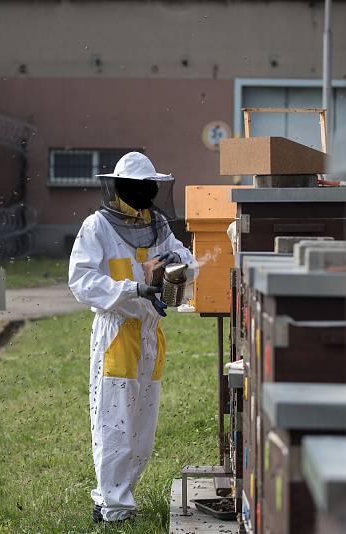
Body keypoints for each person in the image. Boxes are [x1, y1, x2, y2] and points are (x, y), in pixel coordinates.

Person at [68, 152, 198, 524]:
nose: (147, 193)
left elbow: (186, 262)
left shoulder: (157, 224)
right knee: (114, 422)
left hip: (150, 335)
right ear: (123, 187)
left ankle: (121, 499)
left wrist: (180, 264)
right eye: (141, 187)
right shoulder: (97, 227)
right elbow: (81, 281)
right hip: (118, 335)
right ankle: (112, 508)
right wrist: (133, 289)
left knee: (142, 426)